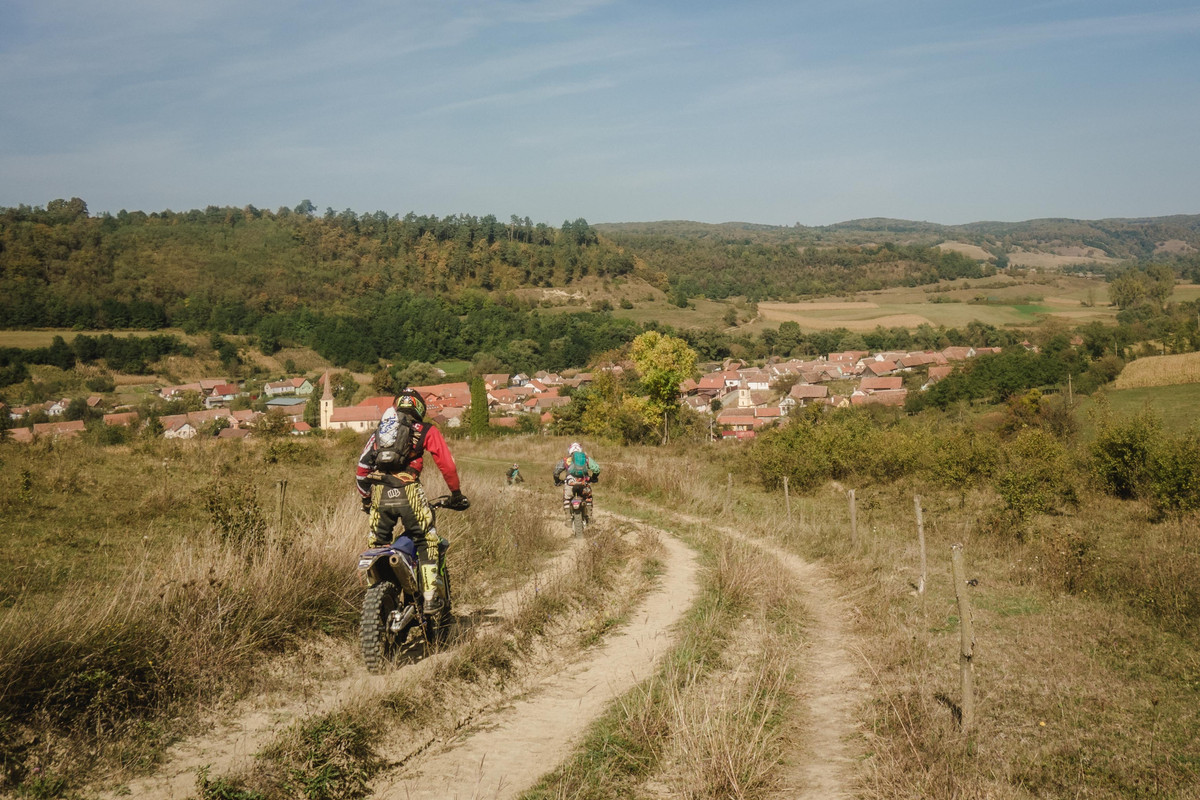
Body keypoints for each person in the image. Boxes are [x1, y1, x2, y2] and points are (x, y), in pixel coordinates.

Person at [356, 389, 468, 614]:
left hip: (379, 493)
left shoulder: (381, 431)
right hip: (409, 492)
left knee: (377, 546)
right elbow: (446, 464)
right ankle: (429, 597)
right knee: (426, 539)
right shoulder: (426, 429)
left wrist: (367, 499)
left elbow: (362, 468)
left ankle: (376, 600)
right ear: (420, 408)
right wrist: (456, 493)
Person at [553, 441, 600, 515]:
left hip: (570, 483)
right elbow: (596, 469)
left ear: (569, 450)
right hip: (584, 482)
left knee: (567, 499)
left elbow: (556, 472)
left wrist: (557, 481)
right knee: (588, 498)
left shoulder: (566, 460)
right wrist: (594, 478)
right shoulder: (586, 458)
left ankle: (568, 518)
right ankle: (589, 516)